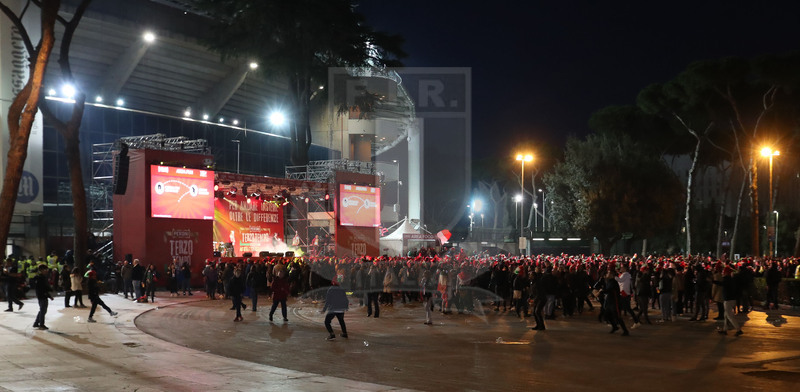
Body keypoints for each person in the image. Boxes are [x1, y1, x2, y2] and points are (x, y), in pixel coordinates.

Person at [713, 266, 743, 336]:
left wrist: (713, 281)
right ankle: (725, 329)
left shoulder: (726, 279)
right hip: (732, 299)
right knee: (726, 315)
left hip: (728, 300)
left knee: (729, 316)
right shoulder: (732, 279)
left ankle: (738, 329)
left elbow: (721, 284)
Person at [322, 272, 349, 340]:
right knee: (341, 321)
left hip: (333, 309)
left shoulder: (331, 289)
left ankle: (332, 334)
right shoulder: (342, 289)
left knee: (327, 322)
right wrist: (346, 307)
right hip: (341, 309)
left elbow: (327, 301)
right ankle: (344, 333)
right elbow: (346, 299)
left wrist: (324, 309)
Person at [32, 265, 54, 330]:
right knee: (43, 310)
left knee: (42, 310)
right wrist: (49, 293)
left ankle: (36, 323)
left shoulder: (41, 277)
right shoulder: (40, 278)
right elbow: (43, 288)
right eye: (45, 270)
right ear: (41, 270)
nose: (46, 271)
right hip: (42, 295)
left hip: (41, 295)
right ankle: (41, 324)